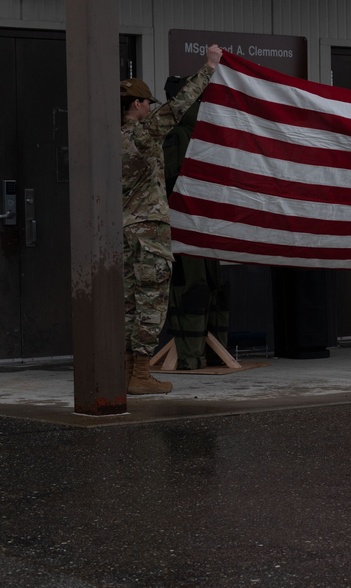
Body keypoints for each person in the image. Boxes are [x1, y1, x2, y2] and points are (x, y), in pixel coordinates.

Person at [120, 44, 222, 394]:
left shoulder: (109, 140)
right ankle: (141, 375)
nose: (152, 108)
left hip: (123, 233)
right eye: (148, 103)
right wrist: (209, 67)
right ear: (137, 105)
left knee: (130, 304)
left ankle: (126, 371)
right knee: (151, 304)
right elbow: (179, 106)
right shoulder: (143, 135)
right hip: (148, 233)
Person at [162, 75, 230, 370]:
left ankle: (210, 352)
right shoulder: (177, 135)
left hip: (204, 225)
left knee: (210, 286)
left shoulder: (203, 132)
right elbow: (172, 183)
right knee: (193, 286)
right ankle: (191, 355)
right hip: (186, 226)